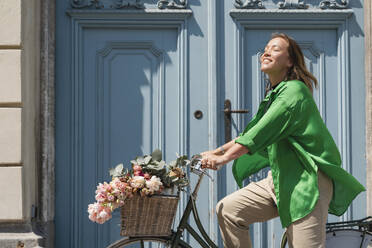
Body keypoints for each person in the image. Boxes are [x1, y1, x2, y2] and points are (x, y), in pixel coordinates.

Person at [200, 33, 365, 248]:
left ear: (290, 61)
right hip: (278, 180)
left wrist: (222, 160)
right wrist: (216, 151)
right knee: (229, 210)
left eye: (275, 49)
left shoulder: (294, 92)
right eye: (266, 48)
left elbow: (258, 134)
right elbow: (251, 132)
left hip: (306, 183)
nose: (266, 52)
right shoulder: (275, 93)